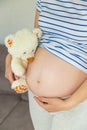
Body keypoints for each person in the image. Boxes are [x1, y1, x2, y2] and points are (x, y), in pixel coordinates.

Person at [5, 0, 87, 130]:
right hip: (36, 98)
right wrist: (12, 55)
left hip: (74, 101)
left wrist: (68, 104)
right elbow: (35, 37)